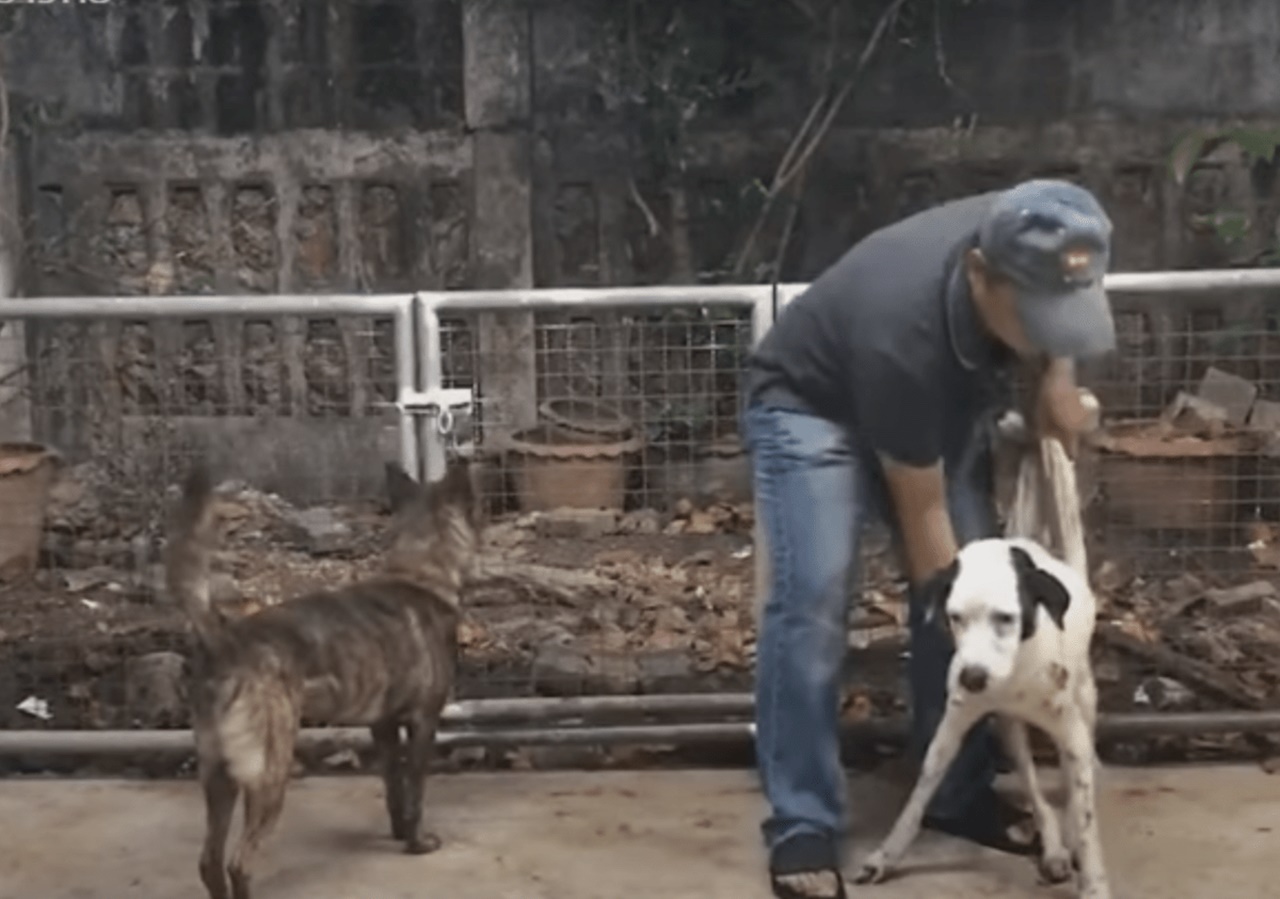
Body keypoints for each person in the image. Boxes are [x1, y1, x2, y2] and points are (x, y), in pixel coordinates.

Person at [743, 179, 1116, 899]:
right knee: (823, 595)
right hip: (811, 405)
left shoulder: (1048, 226)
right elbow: (928, 532)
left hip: (927, 408)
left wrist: (1058, 378)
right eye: (1038, 318)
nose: (1050, 329)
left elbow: (1058, 313)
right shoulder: (904, 331)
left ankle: (958, 791)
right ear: (980, 275)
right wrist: (985, 641)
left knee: (975, 572)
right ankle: (802, 821)